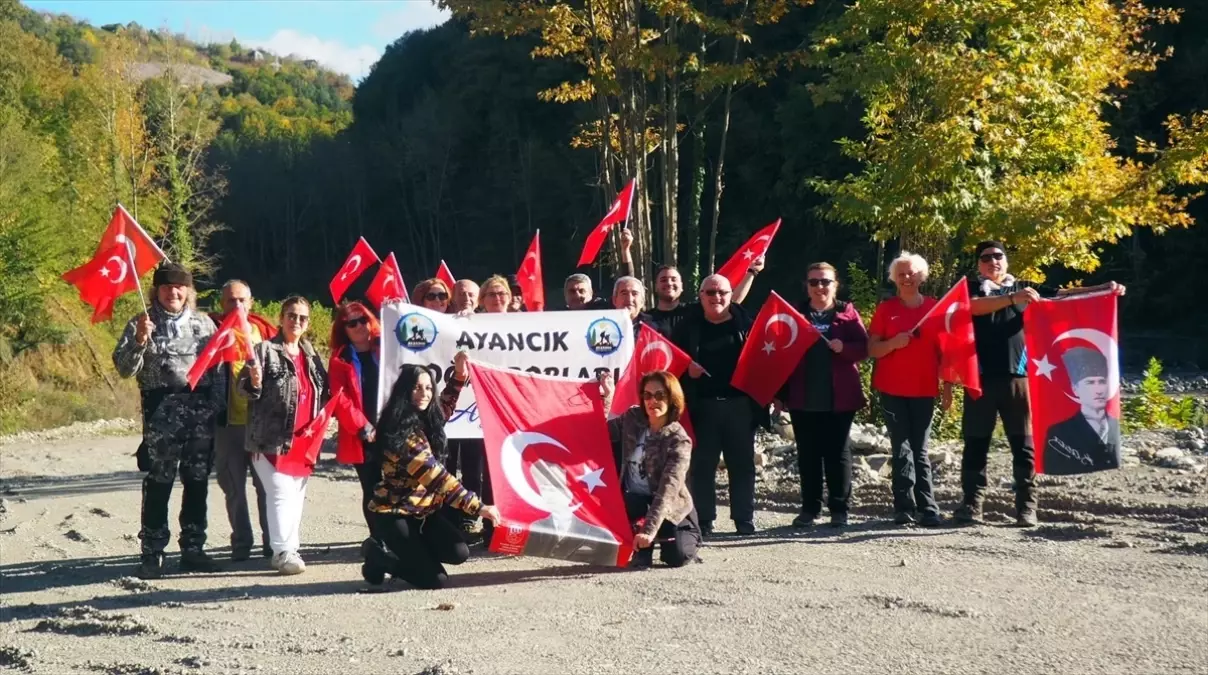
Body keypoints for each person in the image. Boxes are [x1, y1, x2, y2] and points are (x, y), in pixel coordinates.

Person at [957, 240, 1126, 527]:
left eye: (998, 256)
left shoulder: (1025, 287)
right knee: (975, 444)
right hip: (979, 379)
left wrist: (1101, 290)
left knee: (1023, 445)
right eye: (985, 258)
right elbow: (972, 308)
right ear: (978, 265)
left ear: (1006, 261)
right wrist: (1012, 299)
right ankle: (971, 506)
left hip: (1019, 379)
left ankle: (1026, 508)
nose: (992, 261)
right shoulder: (970, 288)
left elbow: (1062, 296)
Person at [113, 262, 226, 579]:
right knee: (159, 485)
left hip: (200, 420)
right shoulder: (142, 323)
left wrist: (216, 407)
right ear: (156, 291)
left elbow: (219, 372)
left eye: (179, 287)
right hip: (162, 420)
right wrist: (138, 341)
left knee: (198, 484)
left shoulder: (204, 325)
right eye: (166, 287)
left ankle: (193, 548)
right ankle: (152, 552)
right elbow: (124, 369)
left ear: (188, 291)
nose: (173, 292)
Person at [240, 296, 367, 575]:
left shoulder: (310, 353)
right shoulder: (263, 351)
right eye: (291, 315)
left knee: (296, 495)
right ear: (281, 318)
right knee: (279, 493)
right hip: (271, 438)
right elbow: (244, 389)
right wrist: (254, 380)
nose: (296, 321)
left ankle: (288, 549)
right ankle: (283, 549)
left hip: (305, 438)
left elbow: (325, 390)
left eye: (302, 318)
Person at [362, 352, 501, 589]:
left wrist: (458, 376)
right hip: (396, 515)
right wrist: (480, 508)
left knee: (458, 552)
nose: (423, 394)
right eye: (416, 388)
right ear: (404, 392)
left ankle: (413, 556)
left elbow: (444, 405)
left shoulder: (426, 419)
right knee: (435, 580)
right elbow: (438, 479)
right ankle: (381, 557)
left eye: (428, 388)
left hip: (425, 514)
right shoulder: (401, 434)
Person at [773, 263, 868, 529]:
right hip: (803, 397)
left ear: (835, 285)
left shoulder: (846, 312)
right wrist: (779, 394)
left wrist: (844, 348)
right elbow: (781, 355)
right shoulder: (796, 314)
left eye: (825, 282)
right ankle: (809, 509)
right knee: (808, 455)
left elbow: (864, 348)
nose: (820, 287)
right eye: (814, 282)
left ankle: (839, 509)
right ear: (807, 285)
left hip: (839, 398)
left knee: (838, 454)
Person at [670, 274, 765, 537]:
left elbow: (766, 359)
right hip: (703, 407)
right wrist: (687, 369)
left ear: (730, 294)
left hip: (740, 405)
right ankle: (705, 520)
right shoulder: (688, 326)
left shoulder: (746, 322)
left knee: (742, 464)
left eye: (722, 292)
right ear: (700, 296)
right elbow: (671, 362)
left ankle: (744, 519)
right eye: (710, 293)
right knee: (702, 465)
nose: (717, 298)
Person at [867, 253, 948, 527]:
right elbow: (872, 349)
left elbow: (946, 354)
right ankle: (903, 507)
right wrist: (893, 344)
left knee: (920, 450)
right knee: (900, 448)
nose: (907, 278)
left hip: (925, 390)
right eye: (901, 274)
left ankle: (928, 508)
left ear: (921, 276)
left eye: (911, 273)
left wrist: (948, 388)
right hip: (891, 389)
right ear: (894, 279)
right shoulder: (885, 309)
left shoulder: (935, 309)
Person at [599, 369, 701, 568]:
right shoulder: (632, 418)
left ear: (672, 399)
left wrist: (650, 530)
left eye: (660, 395)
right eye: (647, 395)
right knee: (633, 510)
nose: (652, 401)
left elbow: (668, 491)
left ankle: (684, 535)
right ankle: (642, 546)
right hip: (634, 501)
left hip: (668, 505)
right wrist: (608, 396)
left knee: (678, 557)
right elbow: (601, 431)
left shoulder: (679, 441)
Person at [207, 280, 275, 561]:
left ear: (251, 302)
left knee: (266, 487)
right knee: (233, 487)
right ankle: (241, 542)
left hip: (260, 423)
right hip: (227, 424)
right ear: (222, 305)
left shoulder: (267, 333)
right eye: (230, 301)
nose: (236, 306)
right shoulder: (210, 331)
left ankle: (273, 542)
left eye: (241, 300)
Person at [328, 301, 386, 557]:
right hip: (363, 434)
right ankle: (378, 539)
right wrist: (362, 426)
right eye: (352, 323)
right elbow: (340, 399)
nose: (359, 326)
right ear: (344, 329)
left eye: (362, 319)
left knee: (398, 486)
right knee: (372, 488)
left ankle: (401, 536)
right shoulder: (339, 359)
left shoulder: (385, 347)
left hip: (391, 429)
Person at [514, 460, 622, 563]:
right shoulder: (532, 529)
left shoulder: (602, 537)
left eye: (555, 485)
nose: (547, 493)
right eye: (542, 487)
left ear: (569, 492)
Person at [1043, 348, 1122, 475]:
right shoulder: (1059, 431)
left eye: (1102, 382)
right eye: (1090, 382)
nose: (1099, 390)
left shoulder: (1114, 424)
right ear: (1075, 389)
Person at [647, 258, 763, 339]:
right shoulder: (646, 320)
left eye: (673, 279)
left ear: (682, 286)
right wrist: (627, 251)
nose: (669, 283)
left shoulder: (695, 311)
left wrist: (752, 272)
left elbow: (730, 302)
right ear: (655, 287)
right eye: (663, 280)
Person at [564, 229, 636, 310]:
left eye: (582, 291)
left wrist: (625, 250)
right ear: (565, 295)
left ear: (591, 293)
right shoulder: (556, 316)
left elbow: (627, 283)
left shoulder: (602, 309)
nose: (577, 295)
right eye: (572, 291)